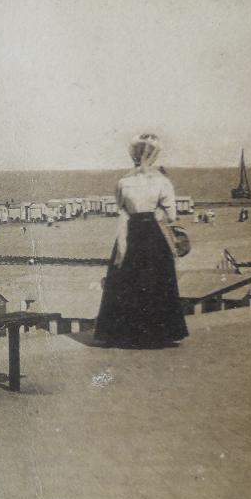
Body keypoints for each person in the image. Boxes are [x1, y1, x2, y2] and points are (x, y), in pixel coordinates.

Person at [94, 133, 188, 348]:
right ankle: (156, 334)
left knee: (126, 281)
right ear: (154, 156)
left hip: (129, 233)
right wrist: (157, 213)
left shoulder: (123, 182)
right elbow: (171, 215)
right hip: (153, 235)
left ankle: (123, 334)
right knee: (155, 282)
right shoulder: (162, 182)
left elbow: (120, 209)